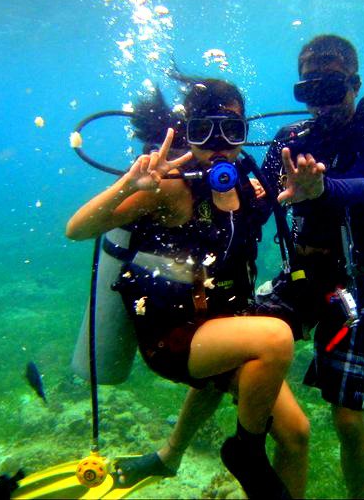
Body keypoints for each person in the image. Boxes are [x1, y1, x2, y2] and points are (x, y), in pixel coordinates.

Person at [65, 78, 307, 499]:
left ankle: (170, 456)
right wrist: (130, 185)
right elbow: (77, 229)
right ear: (187, 134)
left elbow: (277, 204)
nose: (219, 146)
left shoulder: (249, 186)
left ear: (244, 133)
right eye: (203, 132)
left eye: (231, 132)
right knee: (275, 338)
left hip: (224, 327)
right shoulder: (171, 187)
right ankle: (246, 452)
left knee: (297, 435)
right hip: (174, 338)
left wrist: (306, 194)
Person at [256, 34, 364, 498]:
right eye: (309, 92)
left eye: (331, 89)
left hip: (359, 282)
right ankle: (175, 454)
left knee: (348, 420)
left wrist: (320, 190)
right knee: (235, 349)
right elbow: (260, 199)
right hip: (301, 275)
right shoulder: (291, 141)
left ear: (354, 83)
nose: (321, 104)